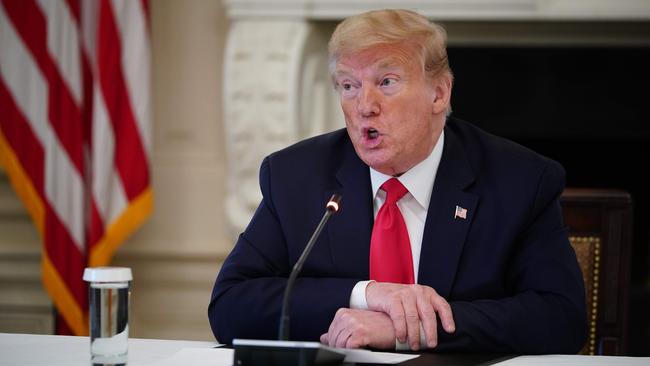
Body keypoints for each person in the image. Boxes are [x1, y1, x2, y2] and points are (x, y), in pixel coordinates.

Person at [209, 9, 587, 353]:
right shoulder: (296, 176)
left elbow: (560, 318)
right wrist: (364, 296)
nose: (364, 106)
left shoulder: (518, 180)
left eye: (386, 81)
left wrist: (407, 329)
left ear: (439, 93)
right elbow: (230, 305)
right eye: (348, 85)